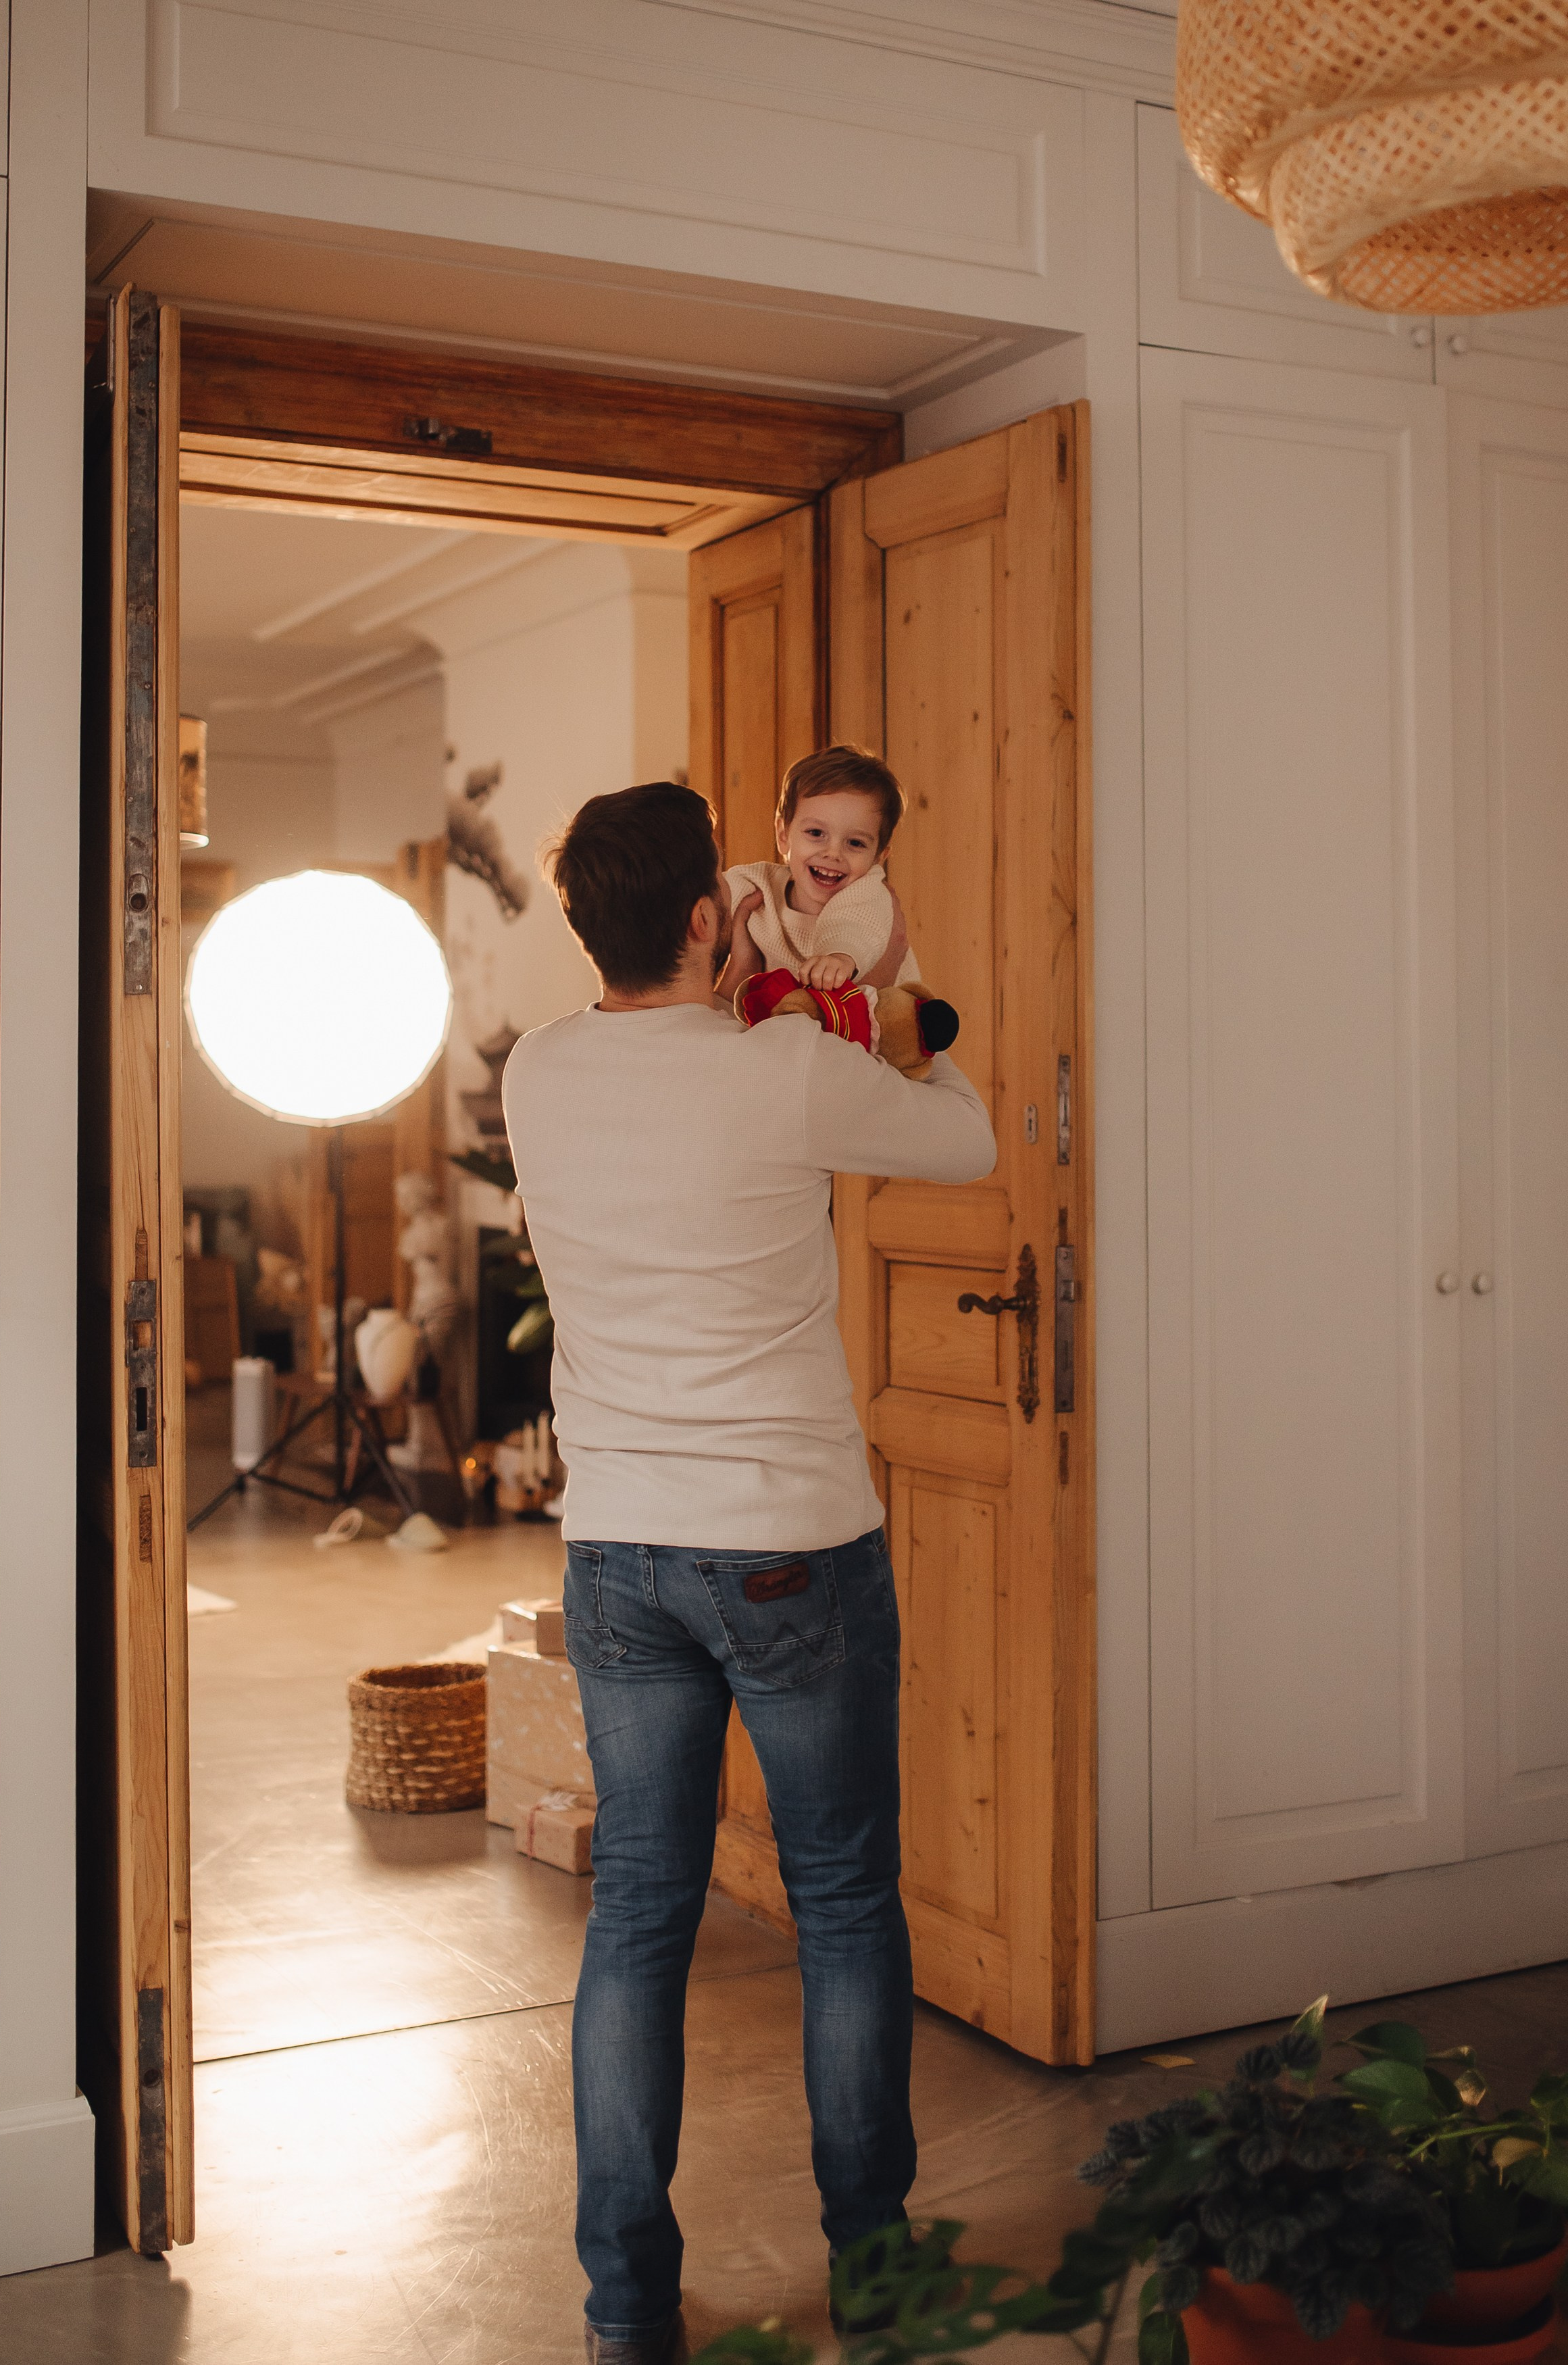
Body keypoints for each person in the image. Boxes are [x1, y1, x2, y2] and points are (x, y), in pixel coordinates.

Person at [503, 779, 996, 2365]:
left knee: (638, 1913)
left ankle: (624, 2312)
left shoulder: (540, 1076)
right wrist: (906, 1005)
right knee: (842, 1904)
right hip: (785, 1546)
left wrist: (731, 937)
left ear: (584, 920)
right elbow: (968, 1134)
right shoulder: (787, 1071)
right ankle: (875, 2282)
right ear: (708, 917)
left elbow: (673, 980)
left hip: (617, 1557)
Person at [720, 743, 915, 1002]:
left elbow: (853, 926)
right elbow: (726, 890)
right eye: (816, 833)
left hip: (888, 1026)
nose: (833, 853)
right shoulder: (763, 887)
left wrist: (840, 957)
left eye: (855, 843)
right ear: (783, 835)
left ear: (879, 857)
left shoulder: (868, 894)